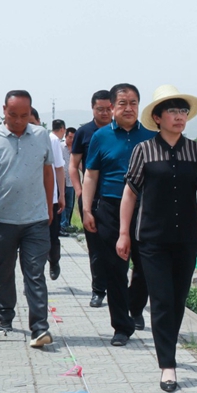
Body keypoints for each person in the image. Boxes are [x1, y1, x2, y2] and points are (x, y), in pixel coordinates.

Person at [117, 85, 197, 392]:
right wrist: (123, 234)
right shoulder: (143, 151)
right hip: (151, 239)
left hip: (187, 238)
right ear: (157, 118)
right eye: (172, 111)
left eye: (183, 111)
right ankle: (168, 365)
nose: (179, 116)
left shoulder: (196, 151)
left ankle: (168, 351)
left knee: (178, 299)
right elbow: (130, 194)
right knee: (160, 299)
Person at [0, 90, 55, 348]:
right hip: (3, 219)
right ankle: (5, 315)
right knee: (5, 270)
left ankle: (39, 328)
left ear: (31, 112)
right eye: (13, 115)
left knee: (35, 272)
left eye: (24, 115)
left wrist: (50, 207)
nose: (19, 120)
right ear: (3, 111)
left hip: (36, 220)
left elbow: (48, 173)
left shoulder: (41, 136)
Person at [82, 83, 154, 346]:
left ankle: (135, 307)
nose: (129, 108)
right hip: (110, 208)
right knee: (115, 268)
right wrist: (87, 210)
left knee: (146, 267)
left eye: (133, 103)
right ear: (112, 107)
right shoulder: (101, 137)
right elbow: (91, 175)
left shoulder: (150, 136)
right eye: (123, 103)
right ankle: (121, 327)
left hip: (145, 209)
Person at [70, 90, 113, 307]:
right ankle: (98, 291)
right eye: (100, 109)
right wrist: (80, 191)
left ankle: (119, 290)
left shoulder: (121, 131)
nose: (104, 113)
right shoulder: (84, 133)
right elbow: (73, 165)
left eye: (108, 109)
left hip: (117, 198)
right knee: (96, 248)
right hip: (92, 199)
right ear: (92, 108)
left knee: (117, 247)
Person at [48, 119, 67, 279]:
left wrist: (61, 194)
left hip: (51, 198)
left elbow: (59, 168)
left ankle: (54, 261)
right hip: (31, 199)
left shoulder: (52, 141)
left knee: (52, 235)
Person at [59, 126, 76, 232]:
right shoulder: (60, 147)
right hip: (62, 180)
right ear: (65, 136)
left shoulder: (76, 149)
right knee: (63, 204)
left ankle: (67, 224)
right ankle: (62, 225)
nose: (72, 140)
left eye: (74, 137)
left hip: (71, 181)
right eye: (70, 137)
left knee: (70, 204)